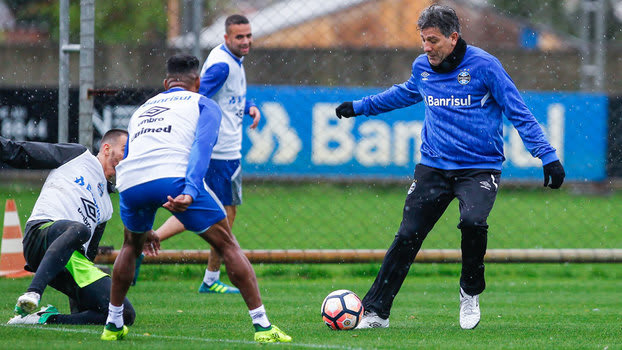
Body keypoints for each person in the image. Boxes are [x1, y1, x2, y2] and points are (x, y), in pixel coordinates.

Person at [335, 4, 566, 331]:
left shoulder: (485, 66)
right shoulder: (422, 67)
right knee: (407, 236)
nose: (426, 47)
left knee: (473, 221)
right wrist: (360, 107)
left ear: (453, 37)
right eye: (423, 41)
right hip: (433, 167)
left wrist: (547, 155)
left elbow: (518, 111)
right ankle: (376, 312)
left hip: (480, 168)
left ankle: (469, 290)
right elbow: (403, 94)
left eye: (432, 41)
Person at [101, 54, 290, 343]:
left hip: (131, 181)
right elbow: (202, 147)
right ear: (198, 82)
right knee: (227, 244)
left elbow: (133, 153)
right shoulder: (203, 103)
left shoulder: (143, 108)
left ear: (166, 84)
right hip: (174, 178)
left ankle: (112, 324)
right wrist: (190, 190)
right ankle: (263, 327)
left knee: (130, 244)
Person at [135, 14, 260, 294]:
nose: (246, 41)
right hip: (219, 152)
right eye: (239, 37)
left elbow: (230, 95)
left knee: (218, 211)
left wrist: (248, 105)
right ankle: (208, 276)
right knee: (220, 215)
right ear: (226, 38)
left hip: (227, 150)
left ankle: (154, 244)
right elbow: (194, 95)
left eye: (248, 35)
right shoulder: (222, 66)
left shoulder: (233, 60)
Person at [1, 129, 135, 326]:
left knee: (123, 314)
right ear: (106, 148)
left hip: (69, 260)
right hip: (41, 234)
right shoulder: (78, 156)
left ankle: (45, 319)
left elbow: (86, 261)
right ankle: (33, 292)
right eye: (125, 149)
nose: (128, 157)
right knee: (80, 230)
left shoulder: (107, 206)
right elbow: (20, 152)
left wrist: (81, 303)